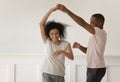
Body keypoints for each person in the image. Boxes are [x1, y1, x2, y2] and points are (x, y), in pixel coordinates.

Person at [56, 4, 107, 82]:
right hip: (93, 68)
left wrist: (67, 11)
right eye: (90, 22)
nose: (90, 24)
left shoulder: (100, 32)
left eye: (92, 22)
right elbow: (88, 51)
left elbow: (82, 23)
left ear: (100, 23)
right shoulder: (95, 36)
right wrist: (79, 46)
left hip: (96, 68)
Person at [39, 6, 74, 82]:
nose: (54, 36)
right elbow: (41, 24)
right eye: (52, 34)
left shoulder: (66, 44)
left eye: (56, 33)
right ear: (48, 34)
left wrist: (62, 51)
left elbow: (71, 57)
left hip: (60, 75)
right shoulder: (47, 41)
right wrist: (50, 10)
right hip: (47, 73)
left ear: (60, 33)